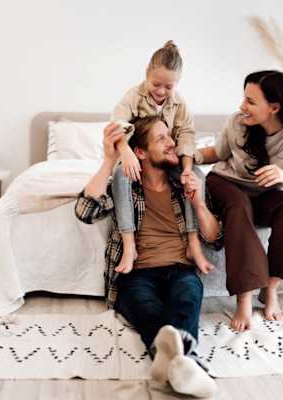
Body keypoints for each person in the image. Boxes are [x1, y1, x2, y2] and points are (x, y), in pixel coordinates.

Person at [75, 116, 222, 398]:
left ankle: (175, 362)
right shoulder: (125, 185)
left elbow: (215, 239)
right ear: (140, 152)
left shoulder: (185, 183)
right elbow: (85, 211)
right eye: (161, 139)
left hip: (181, 269)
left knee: (187, 298)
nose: (172, 144)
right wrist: (109, 160)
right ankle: (187, 365)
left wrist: (200, 204)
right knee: (147, 309)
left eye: (170, 136)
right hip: (136, 273)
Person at [195, 70, 283, 331]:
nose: (242, 106)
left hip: (264, 194)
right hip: (225, 183)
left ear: (274, 107)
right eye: (243, 98)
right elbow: (218, 152)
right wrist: (187, 156)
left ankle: (270, 290)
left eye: (250, 101)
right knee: (239, 207)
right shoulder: (237, 123)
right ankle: (244, 298)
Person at [110, 40, 213, 277]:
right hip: (136, 157)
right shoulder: (133, 96)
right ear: (146, 75)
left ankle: (193, 242)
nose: (161, 91)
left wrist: (186, 168)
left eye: (168, 86)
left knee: (196, 177)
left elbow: (186, 134)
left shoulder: (180, 103)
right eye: (156, 84)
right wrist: (125, 152)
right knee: (120, 175)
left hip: (168, 161)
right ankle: (129, 244)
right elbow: (118, 124)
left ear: (177, 84)